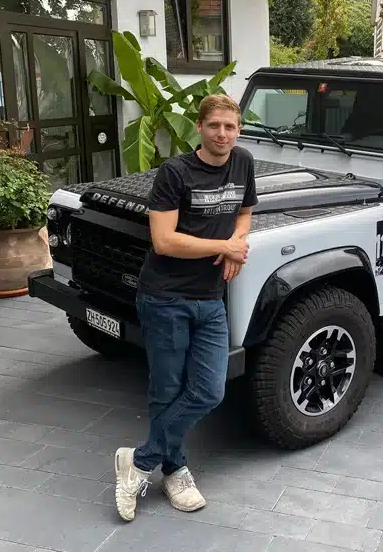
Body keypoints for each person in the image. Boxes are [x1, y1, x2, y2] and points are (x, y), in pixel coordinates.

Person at [113, 94, 257, 522]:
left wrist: (238, 246)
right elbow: (164, 240)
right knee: (166, 390)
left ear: (239, 130)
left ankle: (138, 461)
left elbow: (245, 212)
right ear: (200, 126)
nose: (222, 134)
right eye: (214, 126)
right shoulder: (175, 172)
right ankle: (174, 470)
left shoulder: (243, 162)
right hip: (165, 297)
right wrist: (223, 245)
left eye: (230, 127)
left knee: (210, 389)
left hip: (210, 299)